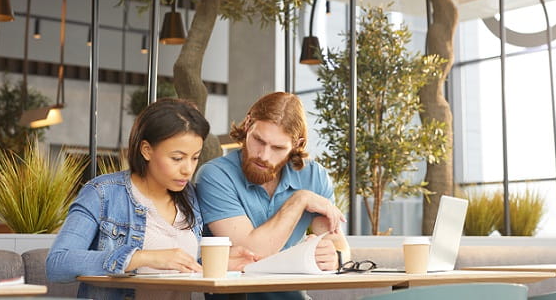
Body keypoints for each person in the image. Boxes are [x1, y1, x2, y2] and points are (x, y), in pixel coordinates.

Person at [46, 98, 257, 300]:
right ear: (146, 150)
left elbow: (182, 266)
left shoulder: (190, 197)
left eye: (194, 158)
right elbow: (58, 263)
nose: (188, 169)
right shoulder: (103, 193)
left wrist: (219, 262)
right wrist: (142, 257)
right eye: (177, 158)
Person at [194, 92, 350, 300]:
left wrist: (334, 257)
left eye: (278, 148)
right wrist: (299, 199)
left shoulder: (314, 176)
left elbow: (338, 246)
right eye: (258, 140)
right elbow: (253, 253)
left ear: (297, 144)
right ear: (248, 124)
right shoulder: (215, 175)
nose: (263, 156)